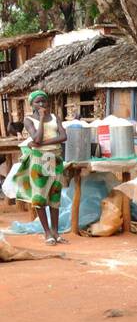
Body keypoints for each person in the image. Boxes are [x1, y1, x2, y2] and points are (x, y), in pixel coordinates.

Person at [14, 90, 68, 245]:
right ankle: (47, 233)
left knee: (54, 194)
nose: (42, 104)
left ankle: (56, 232)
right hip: (39, 159)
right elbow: (36, 138)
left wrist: (41, 144)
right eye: (38, 102)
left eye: (44, 101)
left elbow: (64, 137)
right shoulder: (28, 120)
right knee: (39, 196)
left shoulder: (55, 117)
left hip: (53, 158)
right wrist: (42, 118)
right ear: (31, 104)